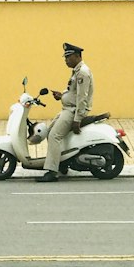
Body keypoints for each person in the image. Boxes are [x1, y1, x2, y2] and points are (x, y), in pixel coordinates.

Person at [40, 42, 94, 182]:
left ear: (77, 56)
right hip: (68, 108)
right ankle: (62, 162)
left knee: (54, 136)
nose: (66, 60)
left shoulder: (82, 72)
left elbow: (82, 97)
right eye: (65, 57)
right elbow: (73, 92)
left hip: (73, 111)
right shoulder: (77, 71)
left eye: (68, 57)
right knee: (50, 131)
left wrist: (78, 118)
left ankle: (52, 172)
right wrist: (62, 95)